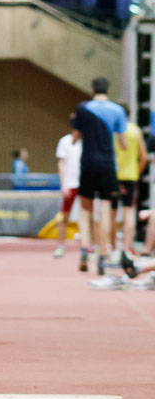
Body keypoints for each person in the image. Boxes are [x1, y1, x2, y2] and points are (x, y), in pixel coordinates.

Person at [72, 76, 127, 275]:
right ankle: (103, 256)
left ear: (92, 89)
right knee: (105, 210)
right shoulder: (117, 111)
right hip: (107, 166)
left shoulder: (83, 109)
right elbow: (123, 143)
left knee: (85, 211)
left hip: (87, 165)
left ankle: (85, 251)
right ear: (108, 89)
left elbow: (74, 138)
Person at [111, 104, 148, 255]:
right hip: (130, 177)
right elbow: (144, 157)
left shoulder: (111, 131)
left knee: (110, 213)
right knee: (128, 212)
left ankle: (111, 248)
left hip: (112, 176)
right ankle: (126, 249)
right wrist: (136, 174)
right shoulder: (135, 130)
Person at [53, 115, 82, 259]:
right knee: (64, 216)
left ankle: (90, 246)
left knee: (89, 217)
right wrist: (63, 184)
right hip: (69, 184)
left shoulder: (87, 142)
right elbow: (61, 163)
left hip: (84, 184)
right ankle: (60, 245)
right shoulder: (64, 142)